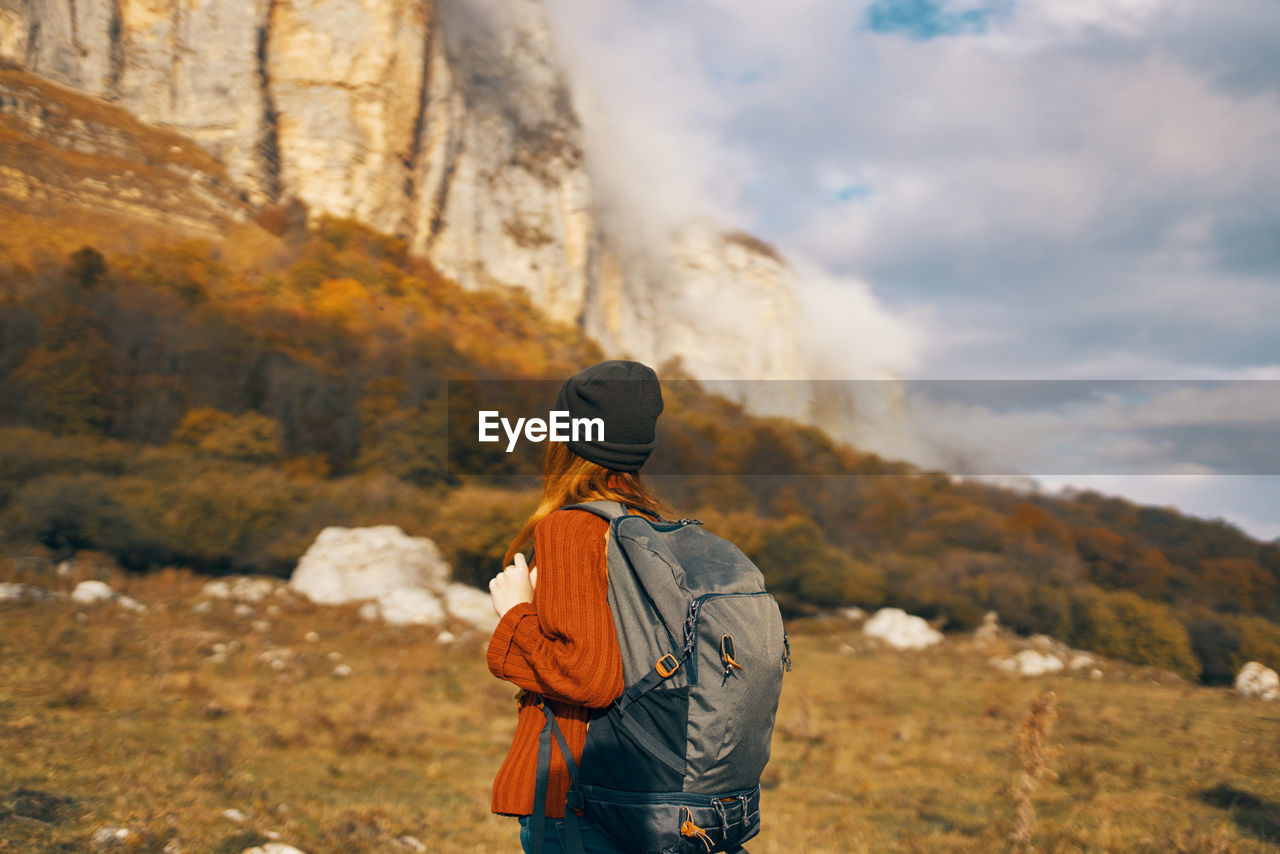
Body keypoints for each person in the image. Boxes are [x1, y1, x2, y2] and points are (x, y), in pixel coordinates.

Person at [487, 360, 667, 854]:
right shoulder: (652, 528)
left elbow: (589, 676)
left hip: (577, 798)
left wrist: (515, 613)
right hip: (645, 792)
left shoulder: (572, 529)